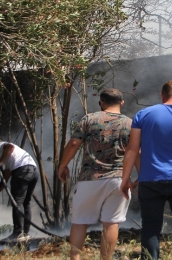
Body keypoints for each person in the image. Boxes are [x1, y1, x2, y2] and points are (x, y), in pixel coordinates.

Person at [121, 80, 172, 260]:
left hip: (150, 179)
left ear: (162, 95)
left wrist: (125, 178)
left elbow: (132, 149)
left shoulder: (143, 114)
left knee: (151, 226)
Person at [57, 88, 134, 260]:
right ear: (122, 102)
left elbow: (73, 144)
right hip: (118, 180)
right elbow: (136, 151)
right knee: (111, 222)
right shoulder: (130, 123)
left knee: (80, 221)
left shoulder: (89, 119)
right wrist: (137, 178)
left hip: (89, 179)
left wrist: (63, 165)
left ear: (102, 102)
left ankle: (75, 258)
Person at [0, 138, 39, 242]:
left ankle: (17, 233)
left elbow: (9, 147)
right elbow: (6, 177)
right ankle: (25, 233)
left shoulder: (0, 146)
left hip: (22, 170)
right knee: (26, 202)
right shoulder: (11, 156)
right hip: (34, 171)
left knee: (17, 201)